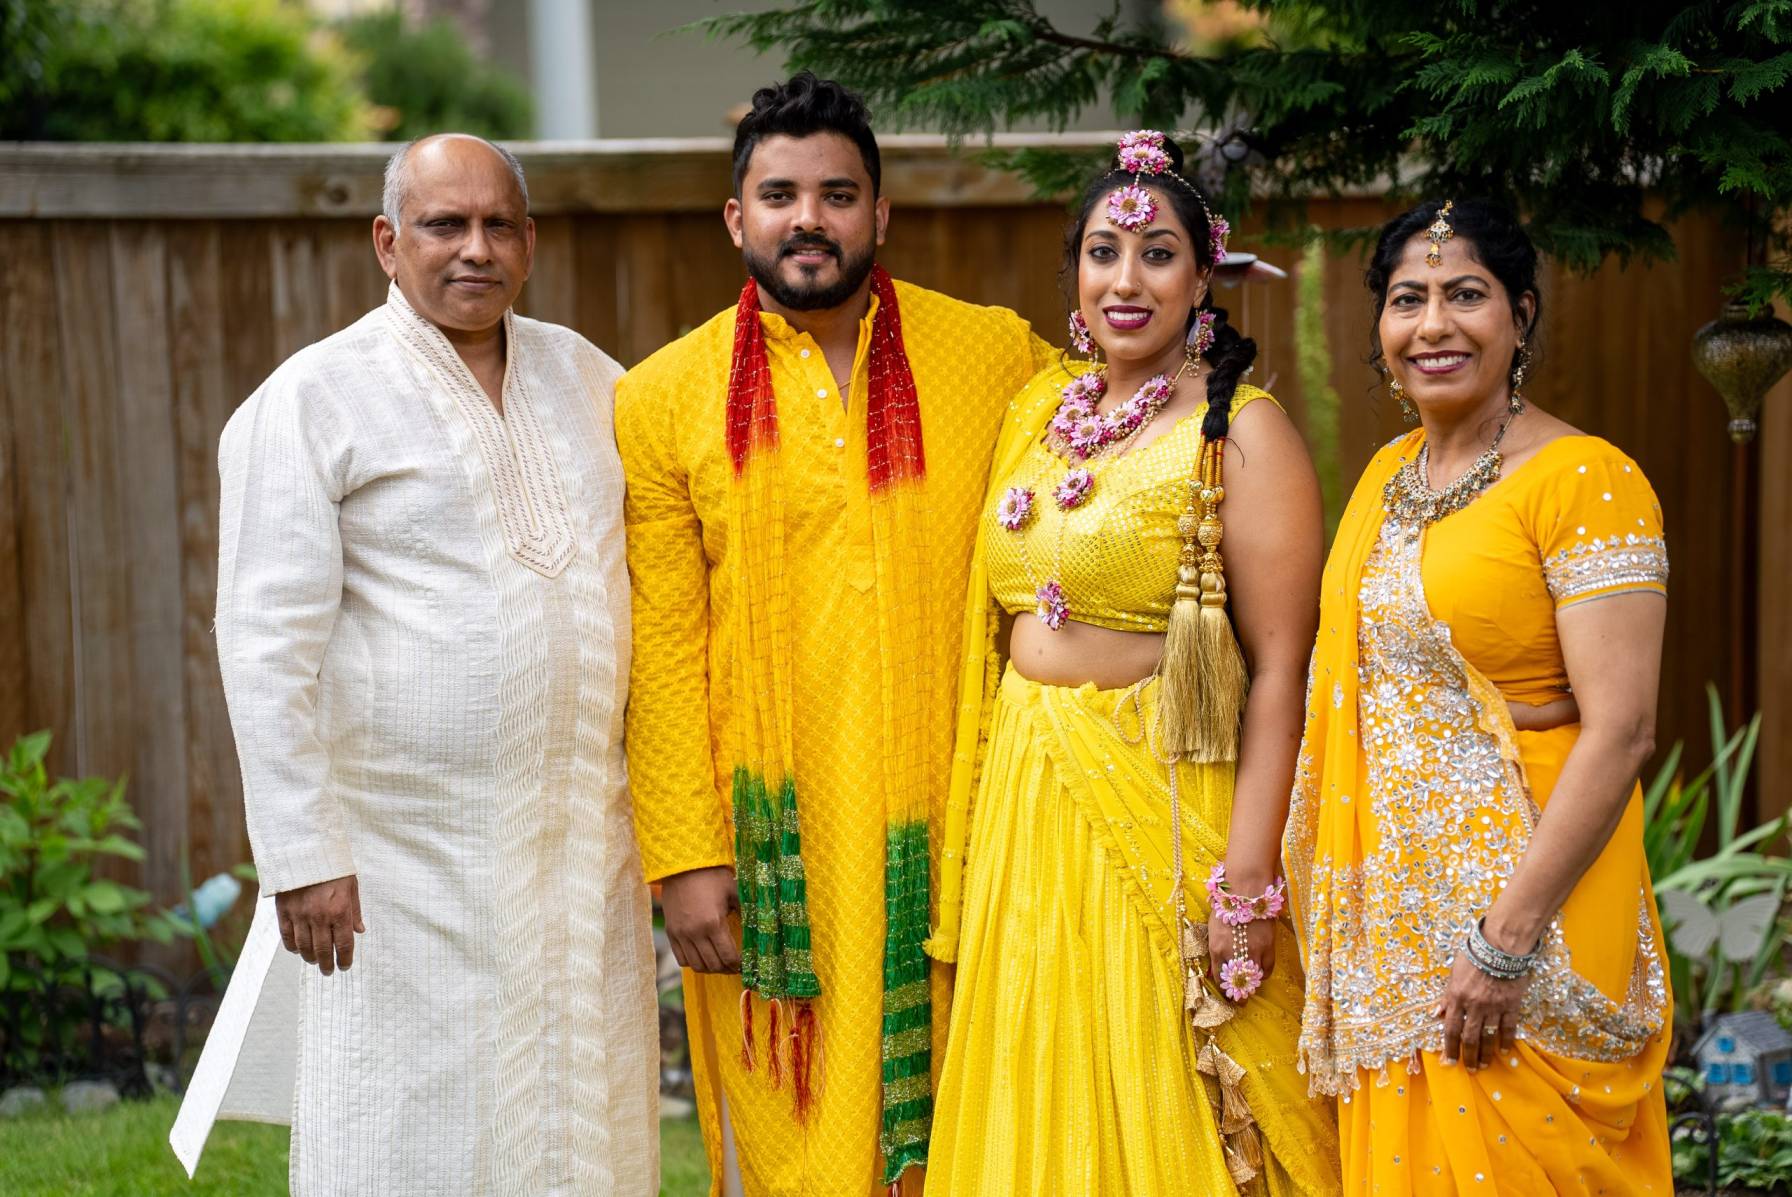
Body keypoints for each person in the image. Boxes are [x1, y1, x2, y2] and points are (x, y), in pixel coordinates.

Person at [169, 133, 659, 1196]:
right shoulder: (314, 399)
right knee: (404, 1128)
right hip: (397, 862)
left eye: (496, 226)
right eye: (444, 225)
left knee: (588, 1125)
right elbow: (262, 640)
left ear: (529, 243)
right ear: (388, 243)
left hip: (580, 847)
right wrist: (302, 853)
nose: (472, 249)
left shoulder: (591, 381)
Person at [615, 73, 1057, 1195]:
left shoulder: (996, 357)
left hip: (956, 815)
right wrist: (685, 853)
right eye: (779, 194)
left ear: (880, 215)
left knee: (973, 1111)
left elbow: (1122, 441)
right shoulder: (664, 398)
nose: (807, 218)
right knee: (791, 1132)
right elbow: (662, 640)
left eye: (837, 193)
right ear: (737, 220)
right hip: (776, 838)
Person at [924, 131, 1341, 1196]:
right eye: (1104, 250)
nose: (1126, 278)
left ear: (1206, 276)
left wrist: (1247, 874)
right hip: (1029, 795)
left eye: (1158, 253)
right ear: (1074, 270)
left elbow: (1284, 666)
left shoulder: (1240, 434)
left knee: (1163, 1070)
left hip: (1160, 797)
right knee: (1039, 1059)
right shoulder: (1038, 412)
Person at [1283, 198, 1674, 1194]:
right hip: (1394, 925)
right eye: (1407, 299)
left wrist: (1502, 942)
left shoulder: (1585, 478)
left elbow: (1621, 728)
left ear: (1521, 314)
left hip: (1525, 915)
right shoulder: (1384, 474)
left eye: (1466, 296)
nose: (1432, 326)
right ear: (1379, 327)